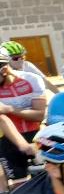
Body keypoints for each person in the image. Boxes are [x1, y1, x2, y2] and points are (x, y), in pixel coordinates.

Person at [0, 50, 47, 184]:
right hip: (7, 140)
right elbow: (2, 120)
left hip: (36, 135)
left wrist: (9, 109)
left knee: (44, 180)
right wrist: (23, 145)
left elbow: (39, 115)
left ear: (4, 70)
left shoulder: (31, 80)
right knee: (18, 185)